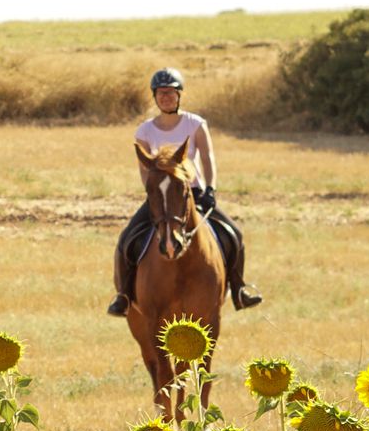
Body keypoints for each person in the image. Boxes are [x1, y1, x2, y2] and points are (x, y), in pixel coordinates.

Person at [107, 68, 263, 317]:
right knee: (127, 240)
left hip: (193, 194)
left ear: (179, 95)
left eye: (170, 92)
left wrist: (210, 188)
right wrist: (153, 194)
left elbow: (207, 157)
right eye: (161, 93)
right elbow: (145, 170)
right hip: (161, 197)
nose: (166, 97)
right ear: (155, 97)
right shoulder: (145, 131)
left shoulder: (195, 124)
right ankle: (124, 296)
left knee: (234, 234)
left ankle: (239, 289)